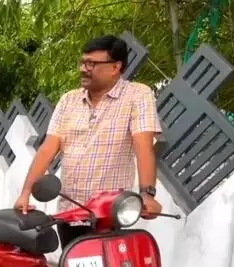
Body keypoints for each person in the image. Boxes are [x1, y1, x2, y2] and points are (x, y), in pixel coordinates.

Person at [14, 35, 164, 247]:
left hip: (110, 216)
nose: (84, 68)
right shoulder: (69, 100)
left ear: (115, 67)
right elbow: (48, 149)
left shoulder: (137, 95)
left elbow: (144, 147)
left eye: (92, 64)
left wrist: (147, 195)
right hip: (70, 214)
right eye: (83, 62)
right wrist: (26, 193)